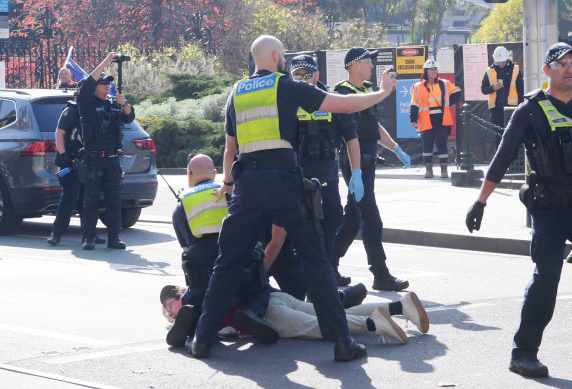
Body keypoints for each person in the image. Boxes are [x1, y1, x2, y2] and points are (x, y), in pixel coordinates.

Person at [188, 35, 398, 362]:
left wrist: (228, 185)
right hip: (285, 182)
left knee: (226, 264)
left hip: (247, 186)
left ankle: (201, 340)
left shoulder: (237, 93)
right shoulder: (285, 86)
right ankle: (342, 343)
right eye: (283, 55)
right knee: (316, 261)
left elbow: (230, 150)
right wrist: (383, 93)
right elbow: (342, 104)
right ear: (275, 55)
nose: (285, 60)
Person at [465, 42, 572, 378]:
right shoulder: (529, 110)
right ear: (547, 71)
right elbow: (503, 156)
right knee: (545, 281)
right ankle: (524, 353)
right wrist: (480, 201)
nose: (569, 68)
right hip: (551, 208)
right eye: (562, 63)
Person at [171, 153, 276, 345]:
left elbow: (187, 250)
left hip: (204, 275)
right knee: (261, 289)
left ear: (189, 174)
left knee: (197, 293)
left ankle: (190, 318)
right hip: (242, 268)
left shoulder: (183, 204)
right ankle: (250, 311)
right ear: (215, 173)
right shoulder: (234, 193)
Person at [331, 47, 411, 290]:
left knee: (353, 218)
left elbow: (374, 128)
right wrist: (355, 173)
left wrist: (396, 148)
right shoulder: (342, 93)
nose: (372, 67)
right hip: (353, 162)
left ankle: (328, 263)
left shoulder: (366, 90)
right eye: (368, 62)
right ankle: (380, 273)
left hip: (367, 161)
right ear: (354, 65)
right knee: (371, 218)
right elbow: (350, 131)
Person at [288, 54, 362, 287]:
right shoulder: (286, 102)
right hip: (297, 174)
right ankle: (304, 274)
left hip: (327, 172)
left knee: (331, 220)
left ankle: (330, 269)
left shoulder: (334, 100)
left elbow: (351, 138)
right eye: (296, 75)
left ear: (317, 75)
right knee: (299, 225)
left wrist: (357, 173)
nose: (301, 79)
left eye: (306, 74)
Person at [162, 285, 429, 345]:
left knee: (318, 326)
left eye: (169, 307)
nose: (170, 313)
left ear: (177, 297)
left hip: (268, 314)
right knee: (335, 312)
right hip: (274, 296)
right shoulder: (208, 286)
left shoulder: (191, 303)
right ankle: (399, 306)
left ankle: (373, 324)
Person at [77, 53, 134, 250]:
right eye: (103, 83)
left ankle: (114, 237)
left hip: (112, 160)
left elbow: (129, 117)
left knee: (114, 201)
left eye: (108, 83)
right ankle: (89, 237)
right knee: (91, 200)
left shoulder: (112, 103)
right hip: (93, 159)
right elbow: (88, 82)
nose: (106, 86)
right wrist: (106, 61)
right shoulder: (87, 102)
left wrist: (124, 104)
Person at [46, 80, 105, 247]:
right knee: (70, 197)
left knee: (88, 198)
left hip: (88, 160)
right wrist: (64, 156)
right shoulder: (71, 110)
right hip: (71, 160)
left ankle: (89, 234)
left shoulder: (92, 109)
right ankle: (56, 234)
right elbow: (59, 134)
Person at [410, 59, 461, 178]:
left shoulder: (444, 83)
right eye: (431, 69)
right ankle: (429, 170)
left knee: (442, 144)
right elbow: (414, 104)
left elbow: (458, 92)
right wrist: (413, 119)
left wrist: (447, 103)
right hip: (425, 119)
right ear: (426, 71)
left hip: (441, 119)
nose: (434, 71)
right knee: (427, 145)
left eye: (435, 69)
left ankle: (444, 170)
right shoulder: (418, 87)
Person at [481, 46, 524, 143]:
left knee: (512, 135)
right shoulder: (489, 71)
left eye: (502, 62)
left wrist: (521, 107)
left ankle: (513, 157)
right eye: (498, 62)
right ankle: (500, 157)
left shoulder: (515, 69)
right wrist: (492, 88)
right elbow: (483, 89)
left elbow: (521, 90)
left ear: (506, 59)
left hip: (512, 108)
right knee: (498, 136)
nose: (500, 64)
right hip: (496, 109)